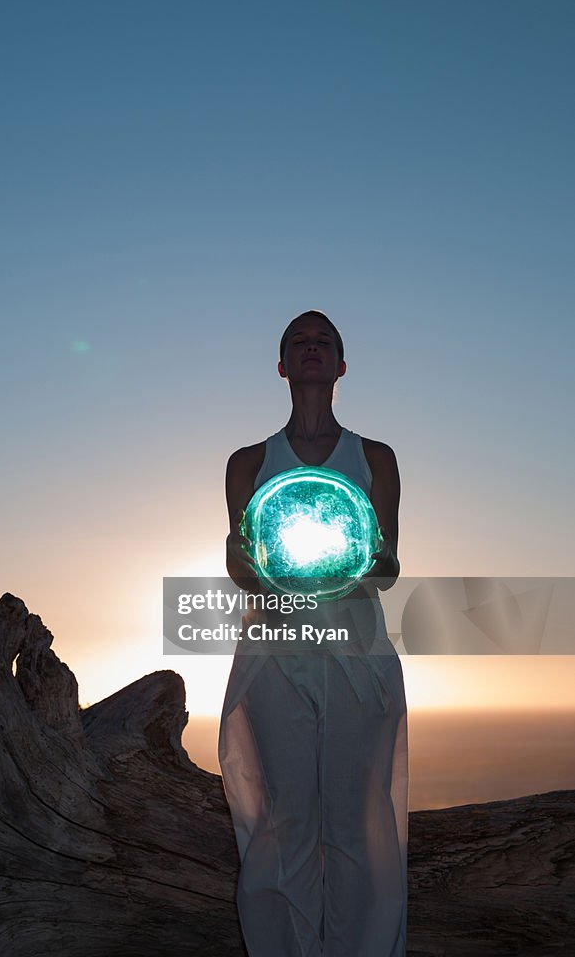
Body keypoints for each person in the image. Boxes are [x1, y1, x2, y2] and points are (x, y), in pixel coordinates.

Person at [218, 310, 408, 957]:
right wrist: (249, 560)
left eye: (321, 341)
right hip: (275, 654)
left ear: (339, 367)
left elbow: (386, 567)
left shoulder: (374, 457)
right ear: (281, 366)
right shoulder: (247, 462)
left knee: (356, 822)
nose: (309, 348)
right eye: (297, 342)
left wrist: (360, 557)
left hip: (356, 653)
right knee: (286, 818)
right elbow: (241, 568)